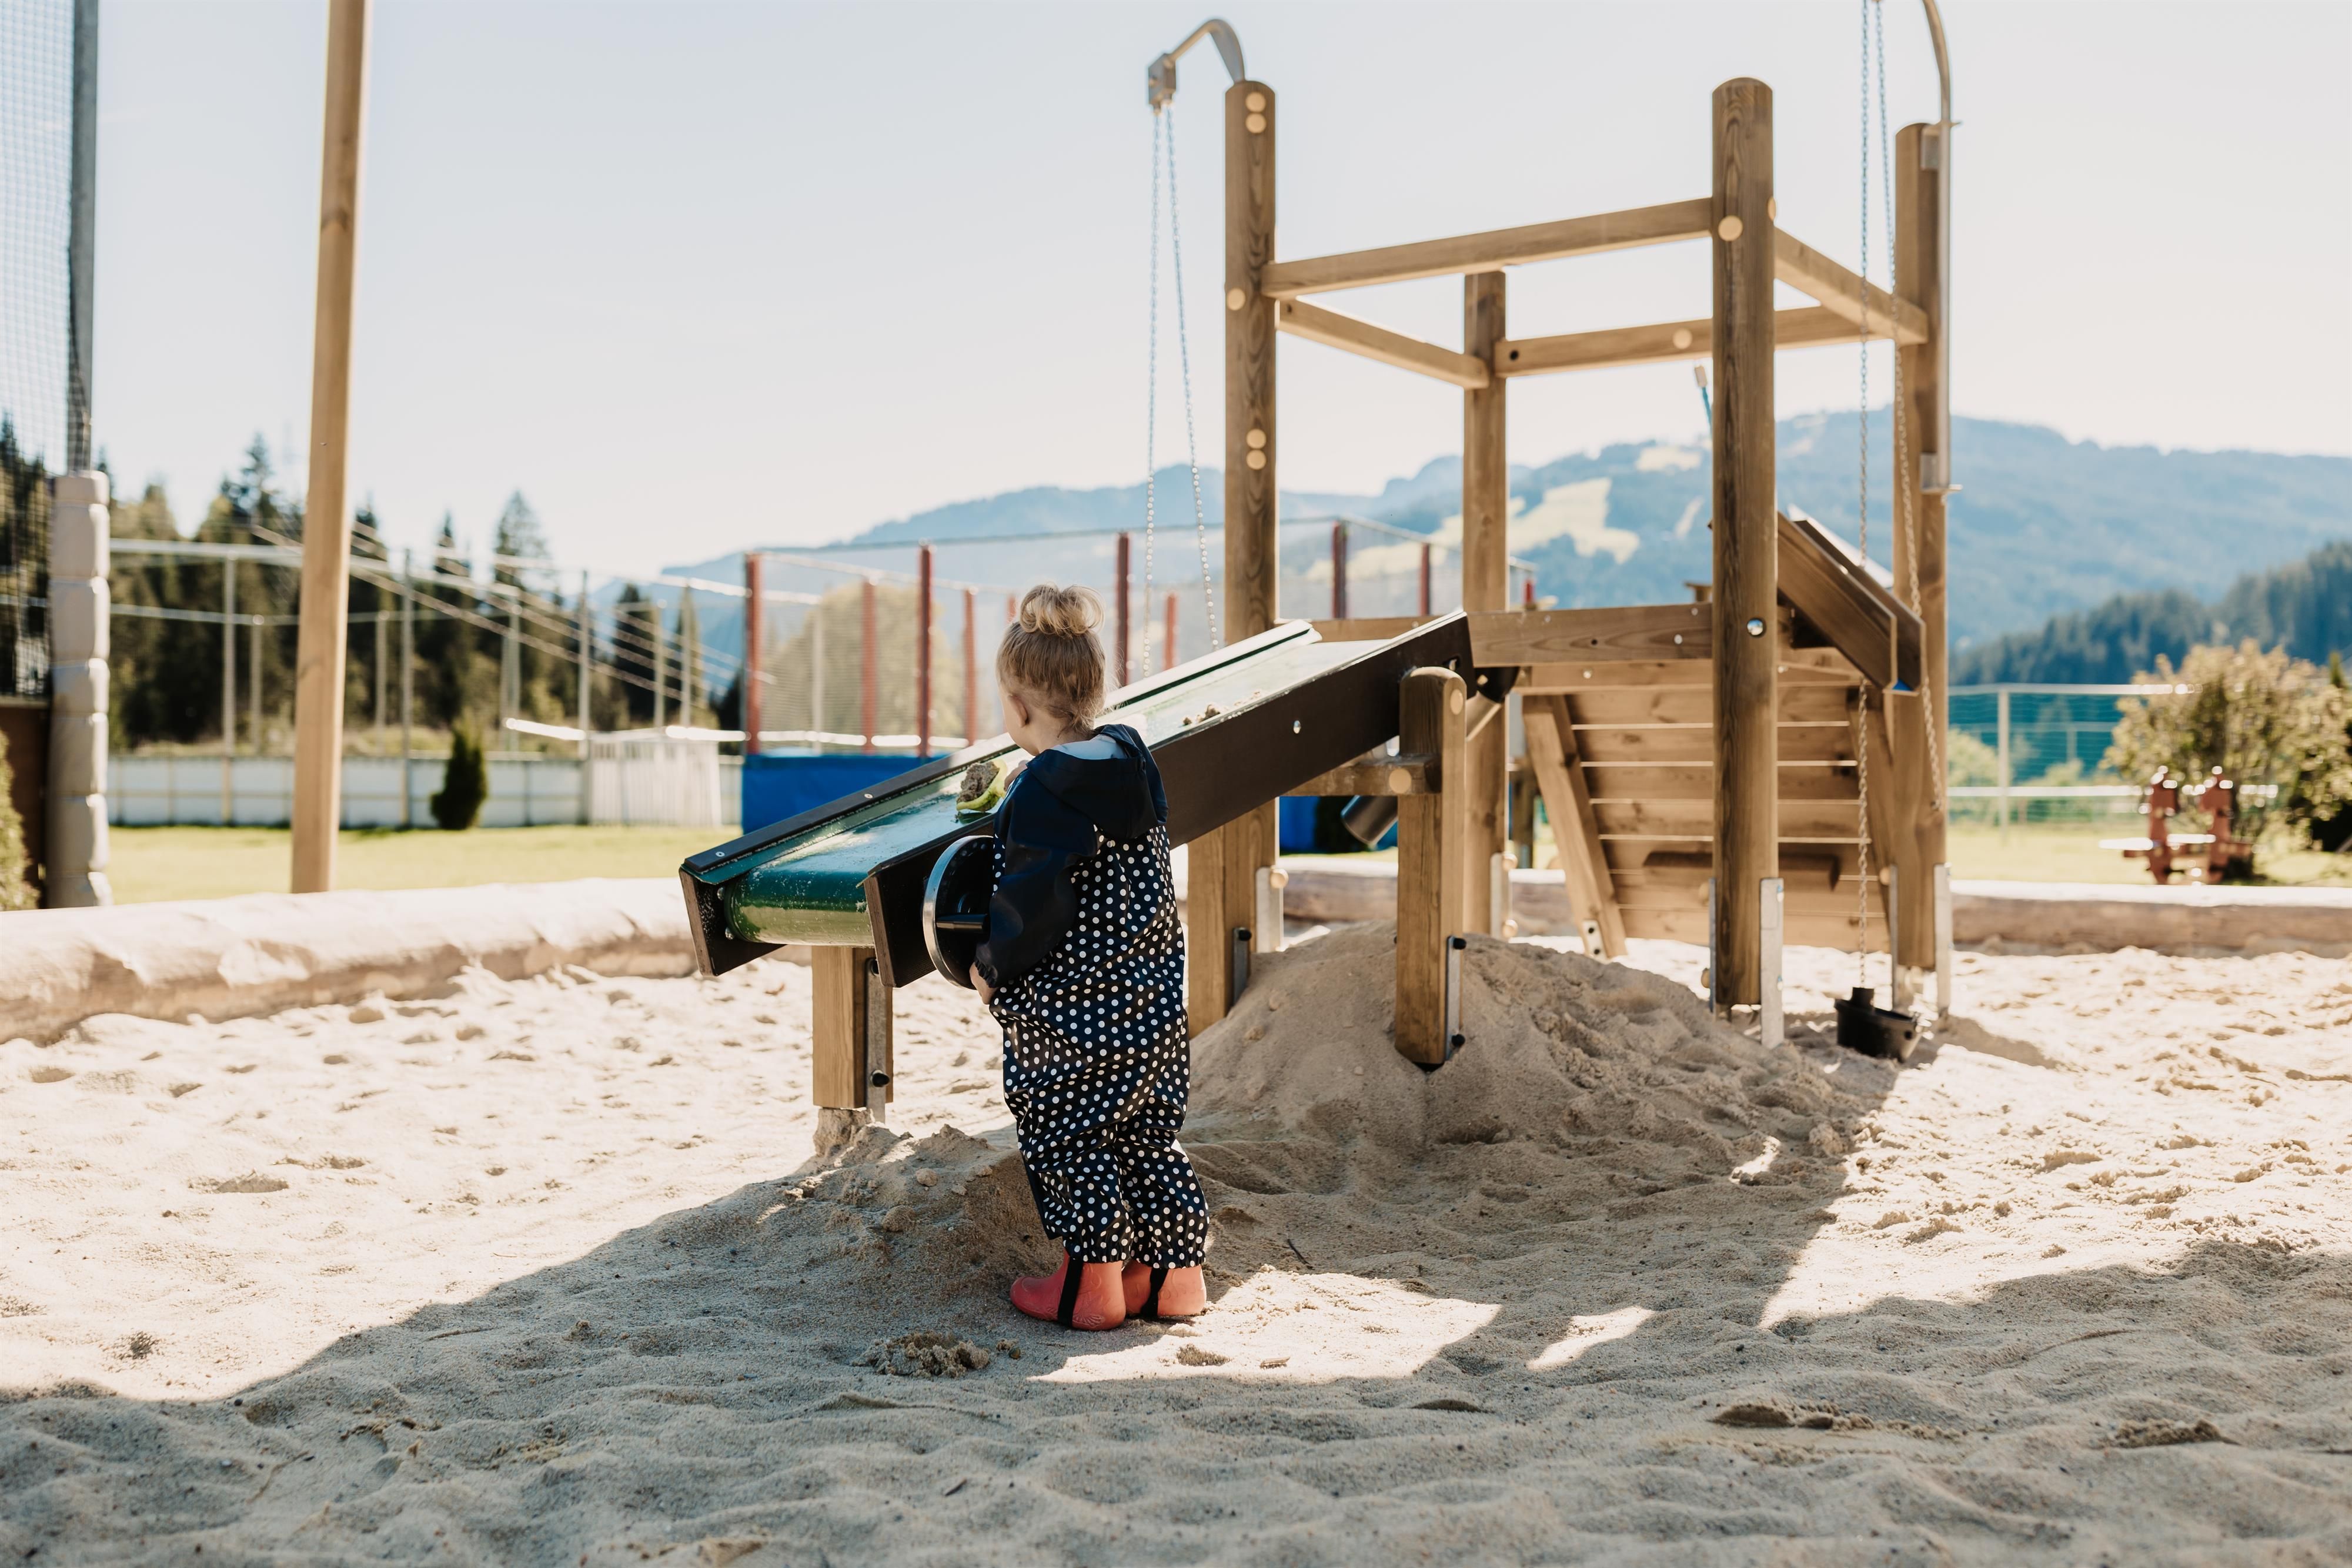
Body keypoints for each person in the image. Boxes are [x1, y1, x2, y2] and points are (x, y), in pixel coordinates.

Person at [968, 583, 1208, 1331]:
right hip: (1152, 1005)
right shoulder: (1131, 759)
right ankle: (1173, 1278)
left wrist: (990, 967)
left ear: (1017, 708)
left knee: (1068, 1132)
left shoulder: (1044, 787)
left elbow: (1030, 904)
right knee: (1146, 1136)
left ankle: (1090, 1285)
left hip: (1075, 1015)